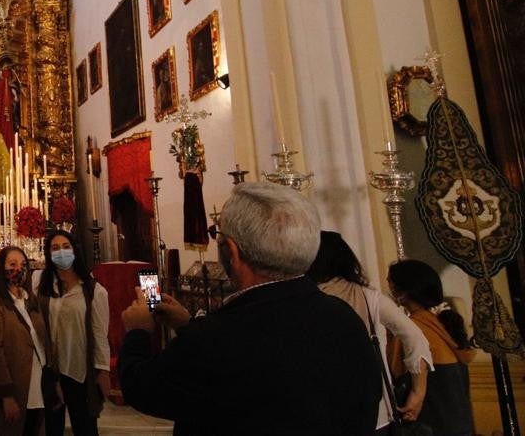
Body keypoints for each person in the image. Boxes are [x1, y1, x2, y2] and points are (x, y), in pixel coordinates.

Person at [118, 182, 380, 435]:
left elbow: (142, 388)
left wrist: (138, 332)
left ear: (231, 251)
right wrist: (189, 326)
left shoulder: (214, 340)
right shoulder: (345, 318)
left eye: (217, 236)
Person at [306, 231, 431, 431]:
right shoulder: (368, 296)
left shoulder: (304, 299)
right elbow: (415, 337)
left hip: (323, 410)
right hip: (376, 409)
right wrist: (418, 393)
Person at [387, 259, 476, 436]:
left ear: (402, 293)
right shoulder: (444, 324)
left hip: (430, 426)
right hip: (460, 426)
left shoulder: (410, 329)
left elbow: (396, 370)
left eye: (390, 284)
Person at [34, 230, 111, 436]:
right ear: (49, 254)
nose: (61, 252)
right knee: (52, 427)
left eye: (66, 247)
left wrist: (103, 371)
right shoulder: (41, 285)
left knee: (84, 426)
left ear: (75, 251)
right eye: (55, 248)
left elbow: (100, 333)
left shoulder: (93, 290)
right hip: (51, 370)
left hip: (79, 369)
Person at [0, 245, 56, 436]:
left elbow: (41, 340)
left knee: (32, 428)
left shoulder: (30, 300)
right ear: (1, 269)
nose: (18, 269)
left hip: (37, 384)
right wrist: (6, 394)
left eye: (22, 265)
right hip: (15, 386)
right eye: (12, 264)